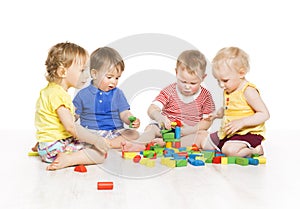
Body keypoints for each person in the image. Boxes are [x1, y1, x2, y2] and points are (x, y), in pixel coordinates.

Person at [34, 42, 110, 170]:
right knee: (100, 154)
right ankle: (67, 159)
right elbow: (70, 127)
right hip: (55, 147)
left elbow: (53, 120)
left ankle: (43, 147)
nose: (87, 75)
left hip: (48, 145)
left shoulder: (50, 91)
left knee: (88, 139)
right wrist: (95, 140)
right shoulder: (58, 95)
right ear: (62, 71)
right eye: (82, 70)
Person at [134, 49, 215, 149]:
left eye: (193, 83)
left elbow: (207, 122)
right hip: (165, 130)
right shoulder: (170, 91)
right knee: (151, 128)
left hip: (186, 134)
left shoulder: (206, 96)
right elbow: (152, 108)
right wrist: (159, 118)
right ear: (176, 73)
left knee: (203, 134)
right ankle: (138, 145)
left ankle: (167, 145)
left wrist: (190, 130)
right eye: (183, 81)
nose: (187, 87)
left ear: (203, 78)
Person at [201, 47, 270, 157]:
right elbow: (229, 109)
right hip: (230, 133)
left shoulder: (248, 91)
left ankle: (255, 150)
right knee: (204, 144)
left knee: (229, 151)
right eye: (218, 80)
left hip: (248, 133)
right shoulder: (229, 90)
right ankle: (227, 144)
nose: (221, 85)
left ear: (241, 73)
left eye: (225, 80)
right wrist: (216, 115)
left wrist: (242, 122)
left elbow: (264, 114)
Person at [73, 47, 143, 151]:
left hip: (114, 132)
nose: (114, 82)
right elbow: (74, 115)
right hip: (91, 133)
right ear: (94, 74)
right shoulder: (83, 94)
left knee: (134, 134)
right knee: (77, 134)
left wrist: (131, 120)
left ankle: (109, 144)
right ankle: (98, 144)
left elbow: (124, 113)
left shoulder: (118, 93)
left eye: (117, 78)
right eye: (109, 77)